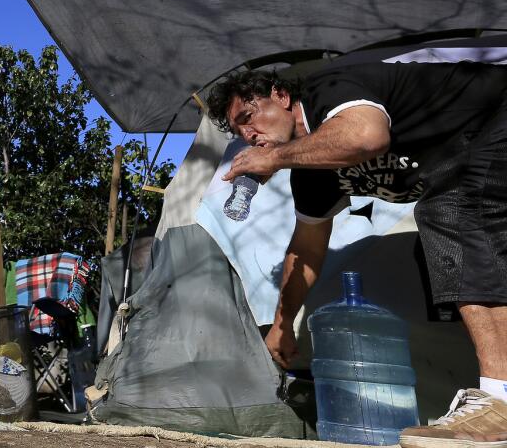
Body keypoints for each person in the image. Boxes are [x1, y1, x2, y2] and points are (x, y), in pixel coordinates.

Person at [206, 62, 507, 448]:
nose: (248, 134)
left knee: (450, 211)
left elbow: (366, 135)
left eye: (249, 117)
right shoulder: (313, 169)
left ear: (280, 97)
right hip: (481, 156)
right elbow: (308, 247)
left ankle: (499, 399)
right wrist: (282, 324)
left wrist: (274, 159)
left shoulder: (327, 89)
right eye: (239, 131)